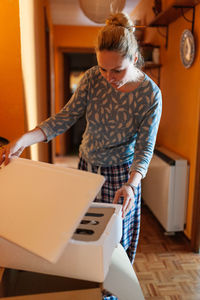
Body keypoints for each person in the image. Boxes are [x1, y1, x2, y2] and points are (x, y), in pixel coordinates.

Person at [0, 12, 162, 300]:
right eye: (103, 69)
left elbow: (144, 149)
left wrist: (132, 185)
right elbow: (64, 118)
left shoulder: (150, 95)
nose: (109, 78)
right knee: (83, 243)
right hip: (87, 169)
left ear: (135, 59)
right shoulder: (91, 79)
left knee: (115, 249)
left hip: (123, 177)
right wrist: (24, 139)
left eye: (117, 71)